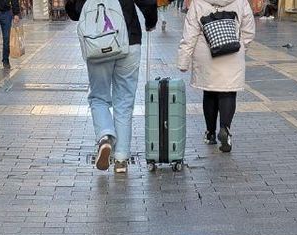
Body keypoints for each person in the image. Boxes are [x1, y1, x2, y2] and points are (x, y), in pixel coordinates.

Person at [67, 0, 159, 174]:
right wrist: (151, 22)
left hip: (97, 42)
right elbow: (147, 2)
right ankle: (121, 159)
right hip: (129, 40)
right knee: (124, 102)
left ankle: (105, 137)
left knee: (98, 97)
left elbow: (74, 11)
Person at [177, 0, 255, 153]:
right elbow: (249, 30)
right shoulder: (241, 2)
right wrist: (240, 48)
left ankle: (210, 133)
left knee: (210, 91)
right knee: (228, 92)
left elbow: (190, 35)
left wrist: (183, 62)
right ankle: (225, 129)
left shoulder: (198, 3)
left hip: (206, 55)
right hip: (232, 52)